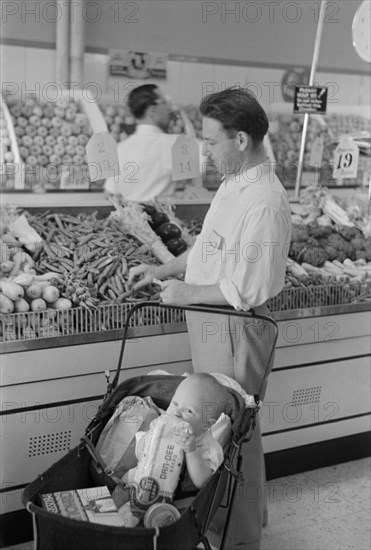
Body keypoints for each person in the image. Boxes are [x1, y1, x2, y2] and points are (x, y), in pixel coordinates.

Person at [128, 87, 292, 549]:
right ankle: (239, 519)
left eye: (213, 141)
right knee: (224, 428)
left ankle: (237, 538)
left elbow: (247, 289)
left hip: (237, 329)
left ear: (241, 140)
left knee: (231, 432)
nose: (206, 151)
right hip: (212, 323)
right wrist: (164, 269)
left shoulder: (264, 200)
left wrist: (184, 293)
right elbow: (208, 250)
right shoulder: (235, 184)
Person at [125, 373, 229, 490]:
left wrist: (192, 451)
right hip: (147, 478)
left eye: (188, 411)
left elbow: (202, 482)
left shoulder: (209, 448)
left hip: (176, 495)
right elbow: (139, 453)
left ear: (206, 425)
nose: (176, 412)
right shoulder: (162, 428)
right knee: (127, 477)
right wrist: (152, 437)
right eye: (175, 403)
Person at [105, 84, 199, 201]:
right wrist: (182, 114)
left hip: (128, 217)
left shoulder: (119, 148)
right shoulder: (172, 144)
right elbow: (207, 151)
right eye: (165, 103)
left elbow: (109, 193)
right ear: (152, 110)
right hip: (160, 217)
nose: (169, 108)